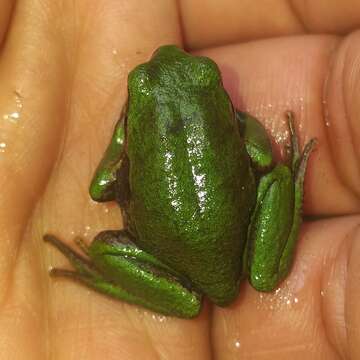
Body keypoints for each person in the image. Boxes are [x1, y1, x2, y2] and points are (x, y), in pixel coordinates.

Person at [0, 1, 359, 358]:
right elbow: (264, 156)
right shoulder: (230, 120)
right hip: (225, 246)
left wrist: (121, 140)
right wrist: (236, 122)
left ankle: (106, 276)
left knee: (102, 249)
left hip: (182, 261)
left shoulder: (131, 133)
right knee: (278, 178)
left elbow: (100, 187)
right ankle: (290, 187)